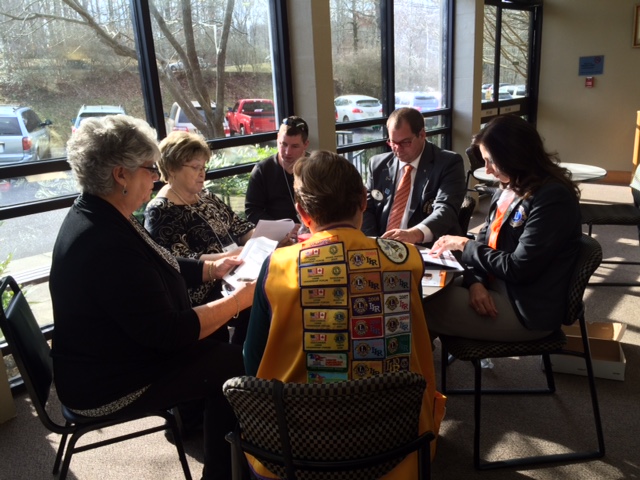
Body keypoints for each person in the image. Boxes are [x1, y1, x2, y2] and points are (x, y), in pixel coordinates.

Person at [49, 115, 255, 480]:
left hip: (109, 356)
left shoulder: (100, 212)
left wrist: (211, 269)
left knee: (223, 352)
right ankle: (221, 474)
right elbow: (170, 333)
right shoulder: (104, 242)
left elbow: (158, 262)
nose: (156, 178)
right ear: (121, 175)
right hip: (105, 383)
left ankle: (224, 455)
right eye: (149, 169)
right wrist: (239, 300)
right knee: (233, 363)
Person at [243, 150, 446, 480]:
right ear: (364, 201)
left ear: (302, 213)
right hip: (397, 443)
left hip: (296, 449)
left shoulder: (277, 265)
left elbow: (253, 357)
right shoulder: (407, 258)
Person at [426, 114, 582, 341]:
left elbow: (518, 268)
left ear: (513, 156)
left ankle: (414, 362)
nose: (487, 170)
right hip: (495, 284)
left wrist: (464, 245)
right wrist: (475, 283)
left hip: (523, 307)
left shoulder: (553, 198)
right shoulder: (509, 188)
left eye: (490, 161)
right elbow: (485, 243)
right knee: (423, 287)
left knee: (414, 302)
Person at [144, 130, 255, 345]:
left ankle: (248, 353)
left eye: (204, 167)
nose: (202, 174)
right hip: (203, 292)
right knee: (260, 299)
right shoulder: (160, 210)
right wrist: (228, 257)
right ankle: (244, 356)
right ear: (172, 168)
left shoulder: (205, 196)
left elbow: (240, 226)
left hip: (233, 272)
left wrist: (263, 240)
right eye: (195, 167)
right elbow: (178, 261)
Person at [362, 107, 466, 246]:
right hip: (383, 245)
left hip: (427, 247)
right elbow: (366, 209)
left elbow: (446, 209)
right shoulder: (377, 165)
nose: (397, 149)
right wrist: (375, 244)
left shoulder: (448, 163)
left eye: (405, 142)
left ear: (422, 134)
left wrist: (415, 234)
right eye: (392, 142)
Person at [244, 115, 310, 225]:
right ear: (278, 138)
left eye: (295, 146)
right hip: (276, 232)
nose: (287, 152)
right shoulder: (262, 170)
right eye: (283, 144)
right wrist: (283, 227)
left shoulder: (316, 168)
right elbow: (252, 211)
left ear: (305, 144)